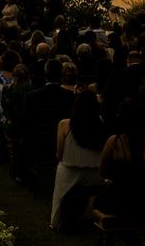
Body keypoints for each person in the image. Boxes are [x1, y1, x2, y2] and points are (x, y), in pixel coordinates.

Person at [96, 101, 145, 245]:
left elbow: (103, 171)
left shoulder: (115, 142)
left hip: (121, 202)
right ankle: (131, 238)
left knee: (102, 200)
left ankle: (129, 239)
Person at [50, 90, 107, 231]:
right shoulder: (100, 122)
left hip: (70, 174)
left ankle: (56, 220)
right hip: (95, 176)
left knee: (60, 168)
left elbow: (59, 154)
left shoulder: (64, 125)